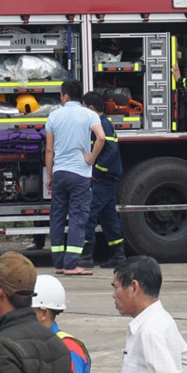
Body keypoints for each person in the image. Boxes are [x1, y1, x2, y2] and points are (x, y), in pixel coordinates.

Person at [46, 78, 106, 276]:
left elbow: (48, 150)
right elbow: (101, 137)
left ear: (65, 96)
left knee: (57, 217)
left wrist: (49, 175)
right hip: (80, 174)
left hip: (60, 173)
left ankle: (59, 263)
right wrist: (91, 159)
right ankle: (72, 264)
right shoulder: (89, 115)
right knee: (78, 218)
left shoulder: (53, 116)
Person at [79, 91, 126, 270]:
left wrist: (97, 171)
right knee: (108, 216)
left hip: (104, 178)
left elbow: (111, 150)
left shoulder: (103, 125)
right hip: (106, 177)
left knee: (89, 213)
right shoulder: (101, 124)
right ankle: (118, 255)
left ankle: (86, 256)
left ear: (91, 108)